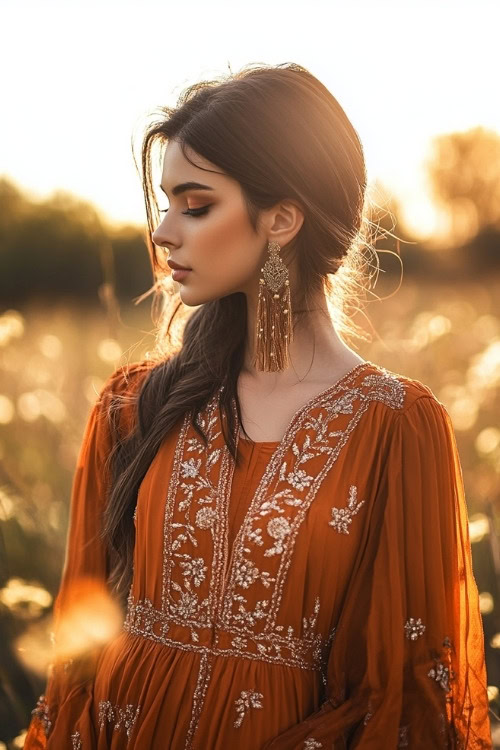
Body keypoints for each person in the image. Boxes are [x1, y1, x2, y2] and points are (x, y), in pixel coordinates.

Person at [24, 62, 492, 749]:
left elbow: (404, 693)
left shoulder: (397, 428)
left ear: (281, 220)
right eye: (164, 202)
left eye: (195, 203)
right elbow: (79, 656)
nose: (162, 232)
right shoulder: (134, 404)